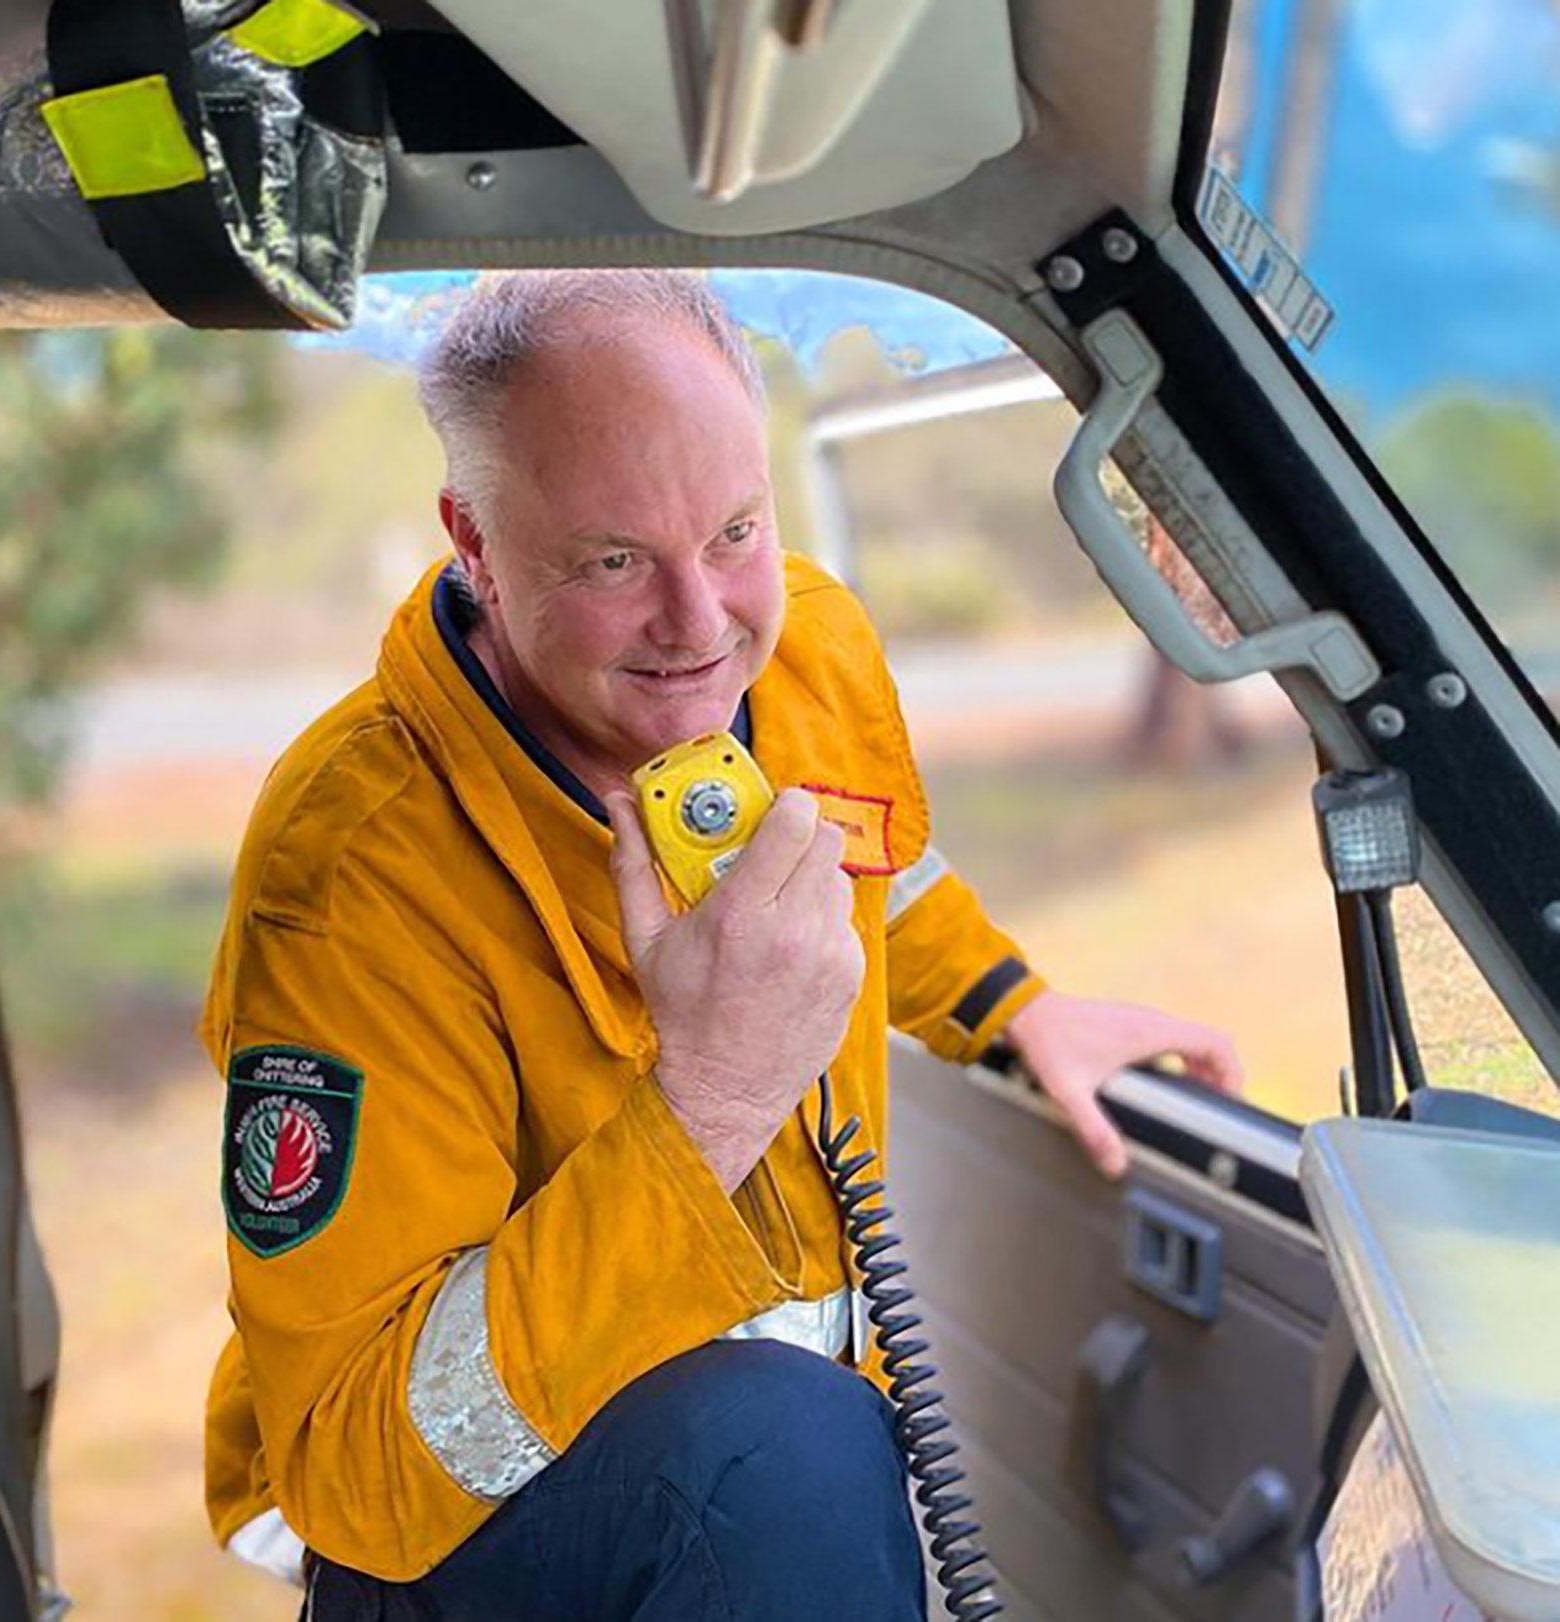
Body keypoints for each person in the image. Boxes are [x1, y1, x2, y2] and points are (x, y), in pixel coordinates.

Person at [201, 269, 1243, 1620]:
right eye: (612, 561)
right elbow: (364, 1464)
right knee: (784, 1447)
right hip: (458, 1547)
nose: (702, 629)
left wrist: (1006, 998)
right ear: (473, 538)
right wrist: (710, 1104)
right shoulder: (348, 876)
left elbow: (876, 870)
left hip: (747, 1528)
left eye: (735, 530)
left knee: (790, 1454)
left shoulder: (807, 649)